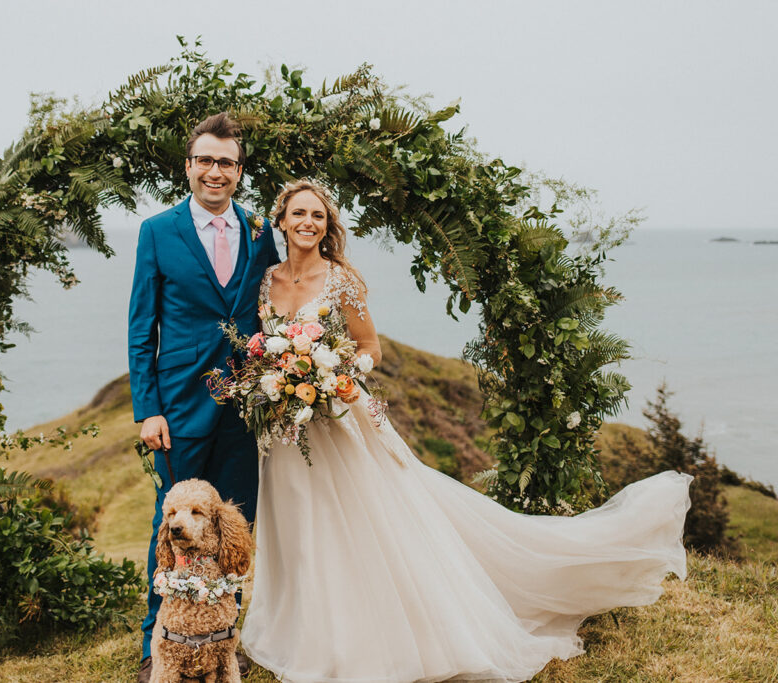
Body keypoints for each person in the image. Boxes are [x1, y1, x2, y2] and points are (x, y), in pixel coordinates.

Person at [239, 179, 692, 683]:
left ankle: (362, 631)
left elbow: (371, 347)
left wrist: (338, 373)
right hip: (283, 425)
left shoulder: (343, 279)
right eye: (298, 214)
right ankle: (305, 627)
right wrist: (276, 376)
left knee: (362, 518)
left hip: (343, 414)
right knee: (298, 522)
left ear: (328, 226)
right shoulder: (265, 280)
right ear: (280, 220)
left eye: (318, 216)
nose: (308, 223)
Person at [127, 112, 281, 681]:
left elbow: (271, 309)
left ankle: (222, 640)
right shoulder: (157, 232)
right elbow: (142, 328)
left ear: (240, 171)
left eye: (227, 163)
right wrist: (148, 410)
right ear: (189, 166)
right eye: (206, 161)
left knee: (232, 527)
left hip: (245, 405)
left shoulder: (263, 232)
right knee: (170, 525)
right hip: (180, 406)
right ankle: (157, 643)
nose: (216, 172)